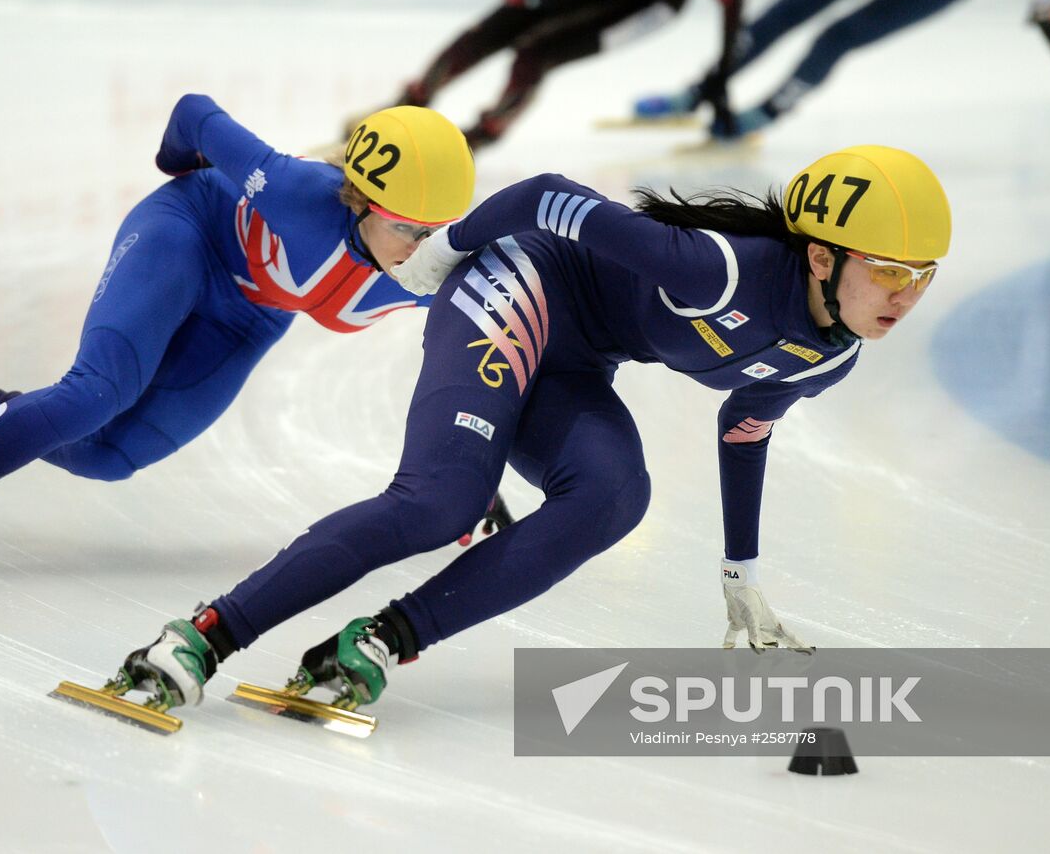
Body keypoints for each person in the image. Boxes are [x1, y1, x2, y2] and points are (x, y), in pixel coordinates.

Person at [104, 144, 952, 716]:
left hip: (578, 363)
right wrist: (446, 251)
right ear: (819, 256)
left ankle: (378, 643)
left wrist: (741, 570)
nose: (905, 297)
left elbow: (745, 426)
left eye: (923, 277)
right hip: (519, 284)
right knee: (444, 500)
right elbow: (547, 196)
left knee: (616, 498)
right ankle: (201, 639)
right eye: (888, 272)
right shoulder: (715, 272)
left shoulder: (825, 356)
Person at [0, 95, 500, 573]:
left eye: (435, 230)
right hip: (189, 233)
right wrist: (178, 171)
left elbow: (467, 369)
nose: (422, 248)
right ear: (362, 198)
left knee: (106, 456)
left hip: (251, 313)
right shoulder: (295, 192)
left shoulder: (426, 274)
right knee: (95, 395)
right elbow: (193, 115)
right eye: (408, 228)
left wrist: (473, 471)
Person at [634, 0, 1050, 139]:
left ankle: (771, 110)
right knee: (788, 11)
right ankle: (698, 91)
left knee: (839, 37)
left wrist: (1047, 5)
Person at [382, 0, 743, 151]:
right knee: (494, 29)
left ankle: (484, 133)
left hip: (651, 1)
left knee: (538, 54)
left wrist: (722, 77)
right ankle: (414, 99)